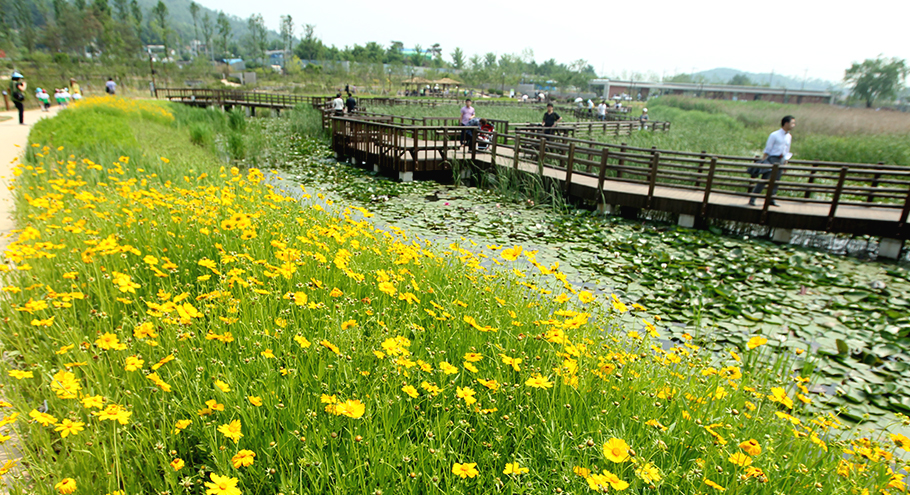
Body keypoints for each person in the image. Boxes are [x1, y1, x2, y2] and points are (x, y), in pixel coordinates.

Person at [748, 115, 796, 206]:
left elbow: (786, 151)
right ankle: (752, 199)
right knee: (764, 180)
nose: (794, 125)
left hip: (781, 160)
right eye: (792, 123)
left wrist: (785, 163)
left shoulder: (789, 136)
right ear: (786, 123)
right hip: (772, 159)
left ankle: (771, 199)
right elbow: (767, 149)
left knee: (776, 181)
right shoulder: (774, 135)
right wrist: (763, 162)